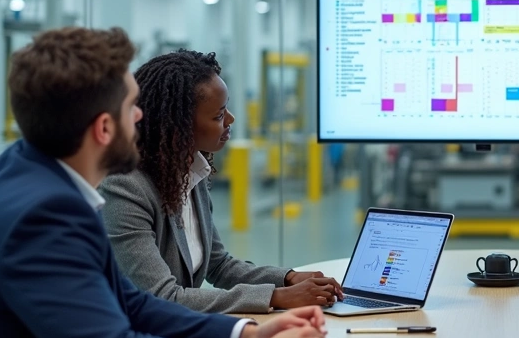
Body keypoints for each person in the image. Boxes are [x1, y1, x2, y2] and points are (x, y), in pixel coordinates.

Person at [0, 28, 328, 338]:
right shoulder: (42, 216)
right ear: (104, 129)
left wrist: (248, 334)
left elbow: (134, 305)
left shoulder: (33, 174)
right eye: (132, 107)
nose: (143, 115)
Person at [101, 50, 343, 313]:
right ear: (178, 126)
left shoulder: (190, 172)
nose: (230, 119)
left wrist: (287, 278)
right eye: (218, 116)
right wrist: (277, 297)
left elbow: (218, 265)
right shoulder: (125, 188)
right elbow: (163, 296)